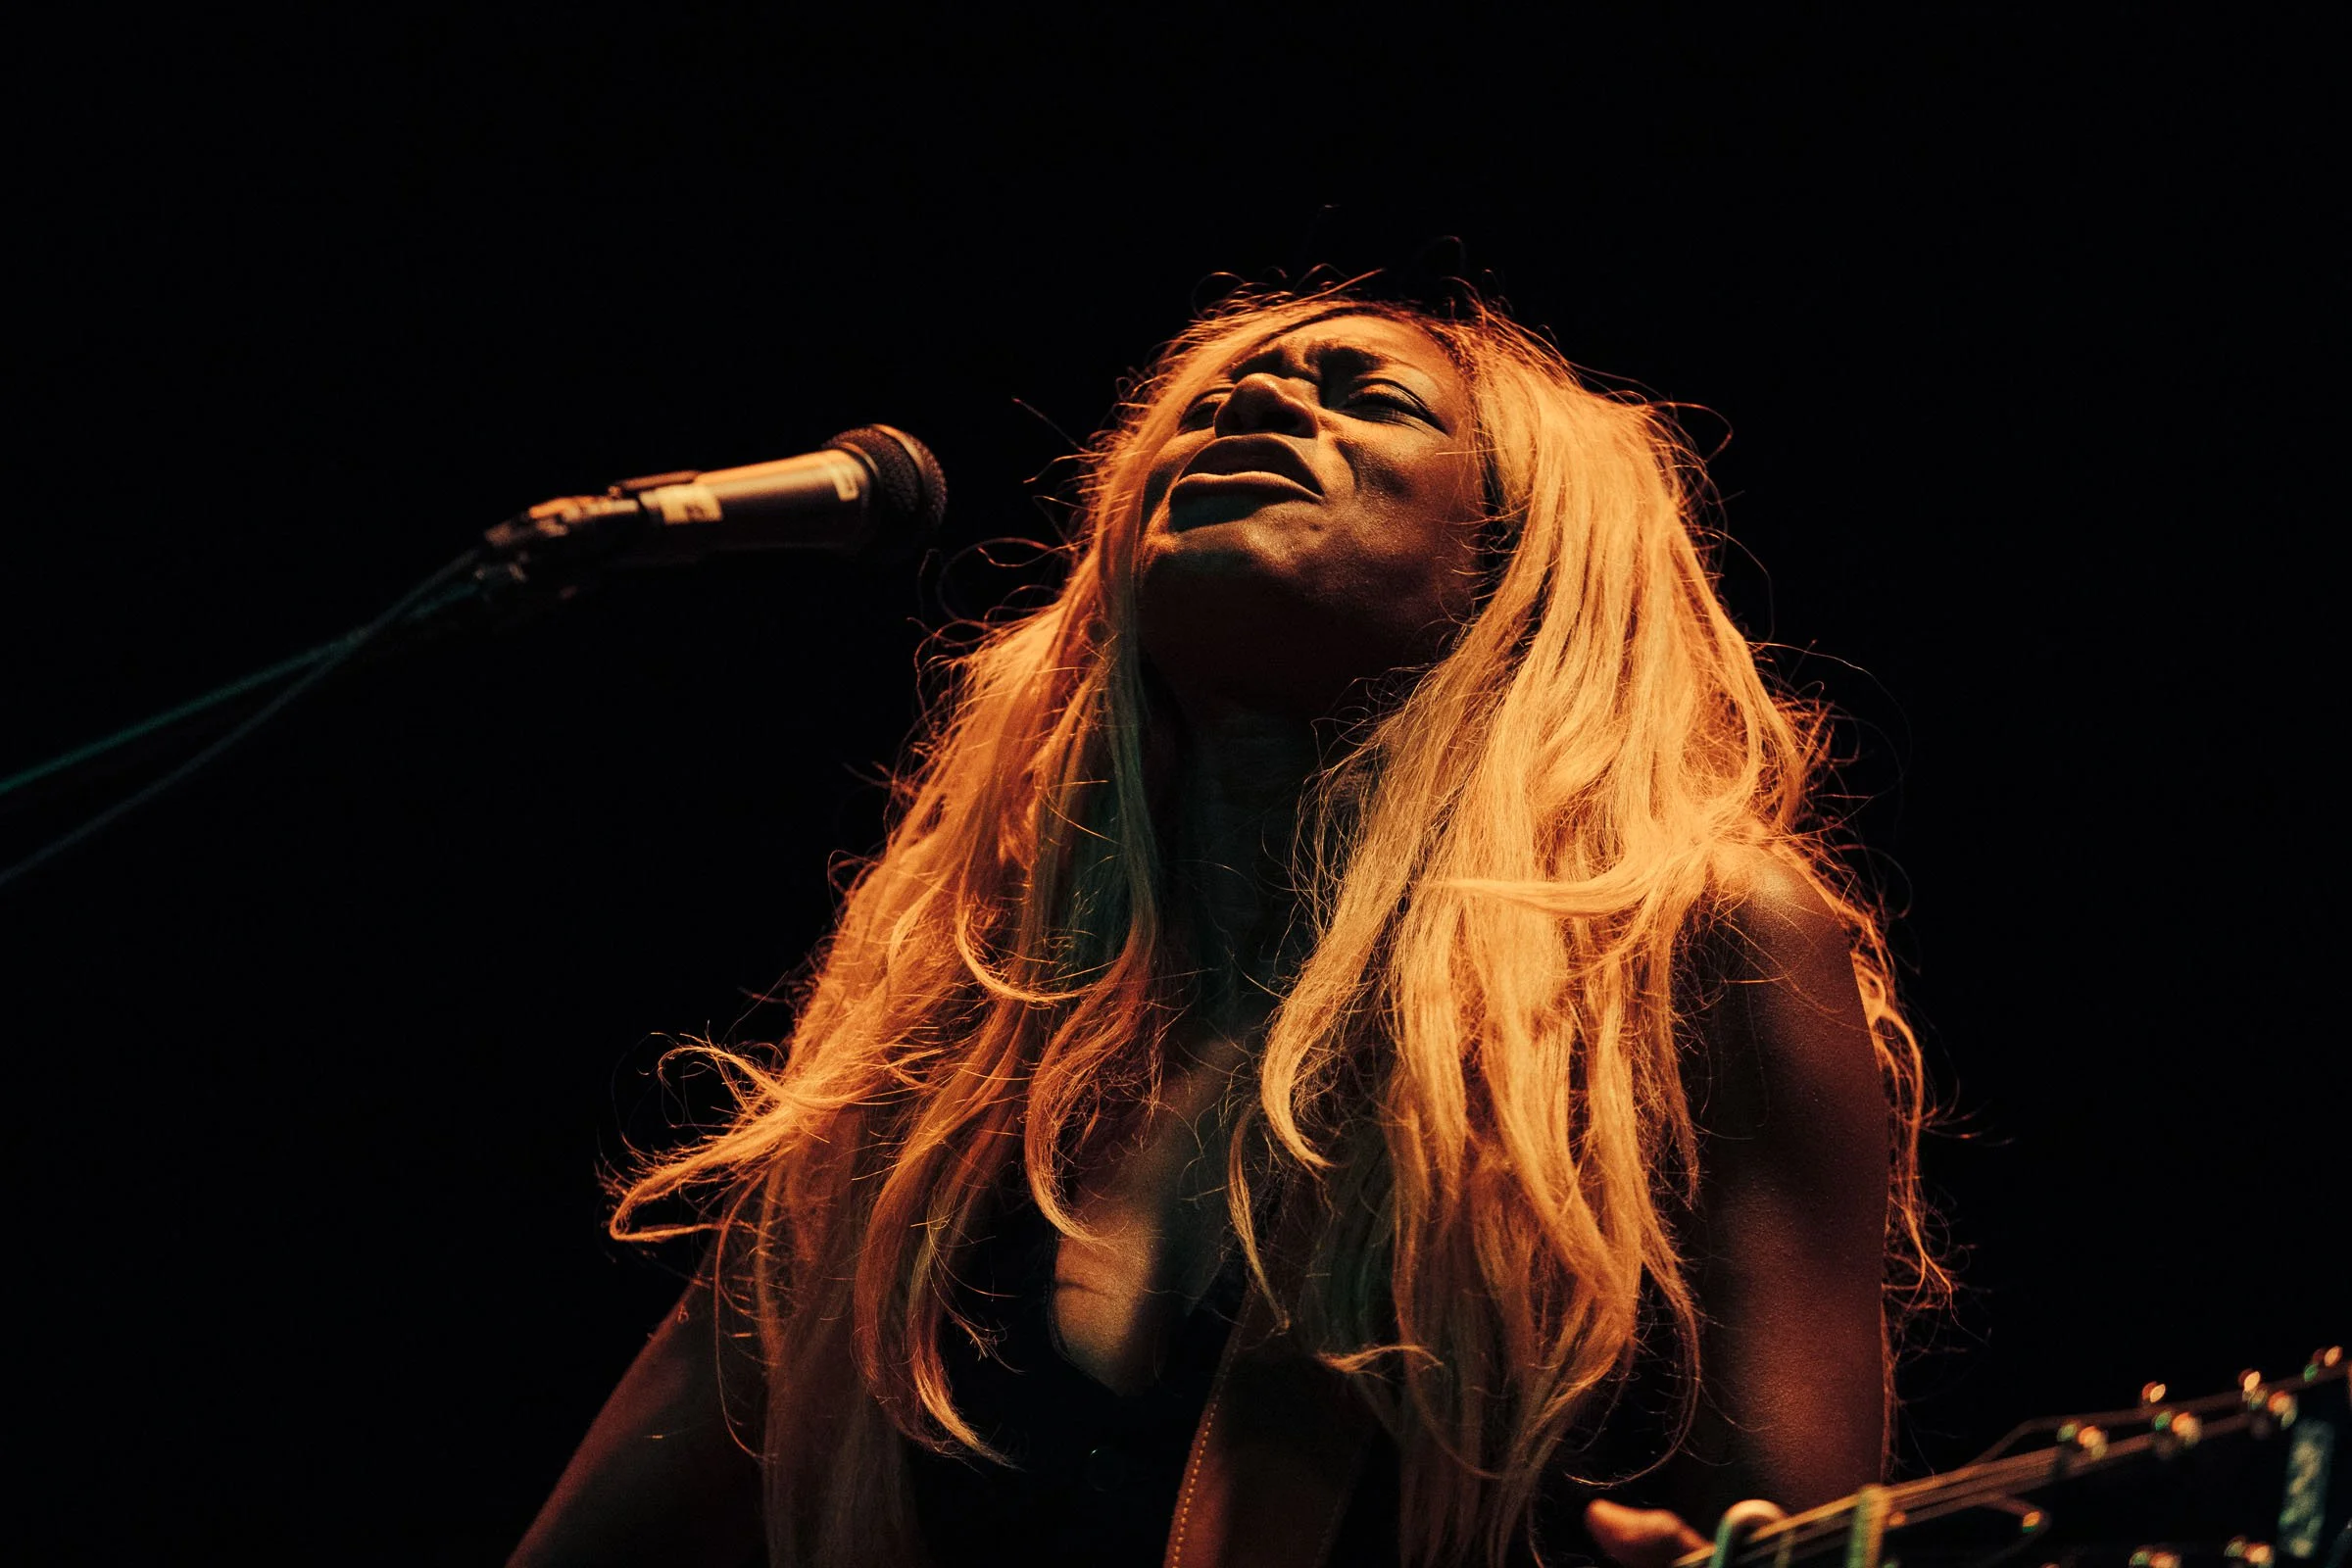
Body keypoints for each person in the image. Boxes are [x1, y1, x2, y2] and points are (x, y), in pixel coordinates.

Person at [510, 283, 1943, 1568]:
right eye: (1213, 404)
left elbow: (1788, 1529)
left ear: (1516, 566)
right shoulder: (940, 1059)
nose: (1261, 398)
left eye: (1370, 398)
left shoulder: (1697, 950)